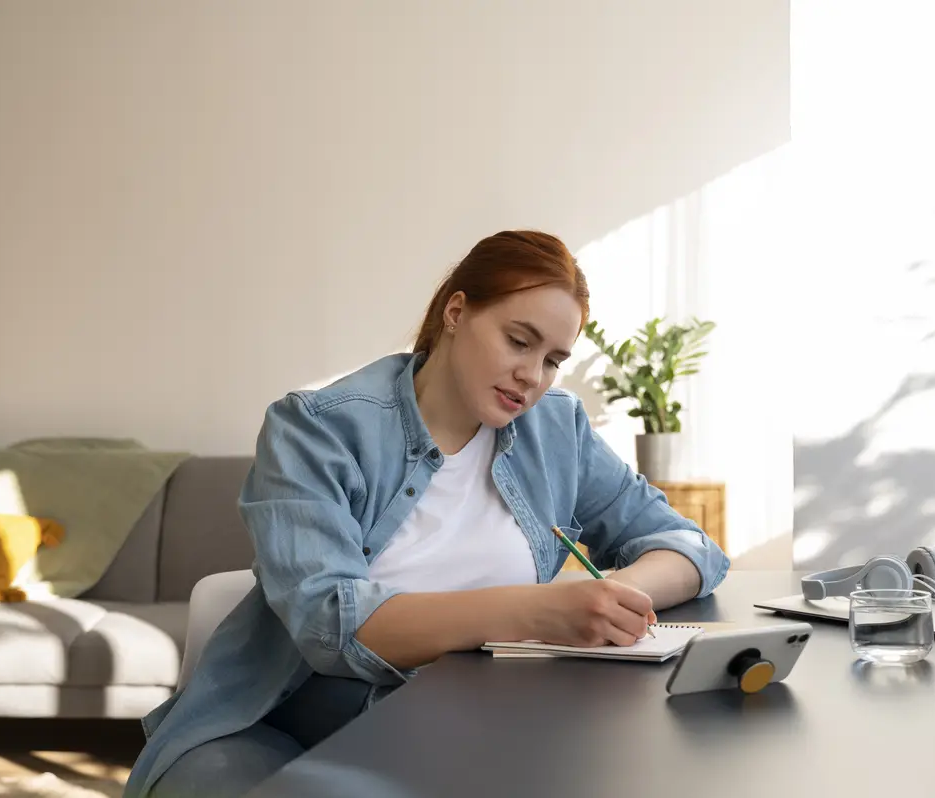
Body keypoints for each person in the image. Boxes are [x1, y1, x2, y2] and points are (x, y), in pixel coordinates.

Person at [123, 230, 730, 798]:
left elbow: (686, 544)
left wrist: (613, 595)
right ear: (457, 312)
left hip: (480, 722)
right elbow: (333, 625)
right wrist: (540, 611)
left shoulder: (556, 430)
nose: (532, 375)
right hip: (282, 718)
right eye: (519, 341)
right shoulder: (316, 427)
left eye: (552, 359)